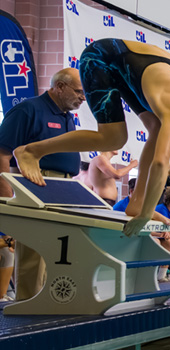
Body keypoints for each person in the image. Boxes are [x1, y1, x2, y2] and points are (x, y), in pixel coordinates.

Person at [13, 40, 170, 238]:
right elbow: (160, 164)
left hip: (129, 68)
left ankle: (137, 204)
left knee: (155, 127)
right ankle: (31, 151)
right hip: (101, 58)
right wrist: (145, 216)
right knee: (113, 138)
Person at [0, 68, 85, 302]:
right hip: (36, 183)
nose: (83, 97)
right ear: (59, 87)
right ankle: (29, 308)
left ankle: (49, 304)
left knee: (58, 251)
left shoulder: (67, 116)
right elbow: (2, 153)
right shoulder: (28, 110)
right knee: (34, 251)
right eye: (79, 91)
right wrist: (8, 196)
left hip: (65, 187)